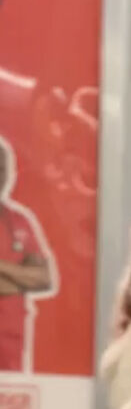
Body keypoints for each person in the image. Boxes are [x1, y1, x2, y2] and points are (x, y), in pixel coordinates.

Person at [0, 140, 54, 371]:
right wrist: (20, 280)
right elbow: (31, 277)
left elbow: (44, 278)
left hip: (10, 344)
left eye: (2, 168)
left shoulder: (18, 220)